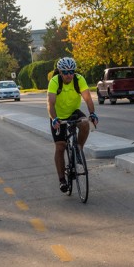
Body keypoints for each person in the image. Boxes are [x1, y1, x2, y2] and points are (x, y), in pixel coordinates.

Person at [47, 57, 98, 193]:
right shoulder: (54, 81)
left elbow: (87, 98)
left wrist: (92, 114)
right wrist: (54, 119)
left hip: (73, 112)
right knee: (60, 146)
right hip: (58, 115)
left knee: (85, 124)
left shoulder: (78, 79)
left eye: (71, 71)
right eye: (65, 72)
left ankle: (78, 148)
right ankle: (62, 180)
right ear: (60, 72)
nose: (69, 75)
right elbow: (50, 104)